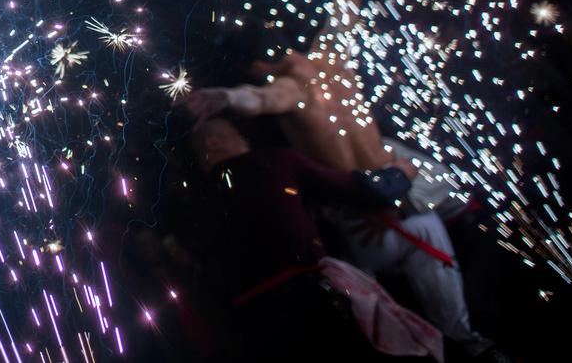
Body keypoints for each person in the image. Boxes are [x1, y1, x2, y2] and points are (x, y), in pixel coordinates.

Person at [181, 0, 502, 359]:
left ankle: (467, 335)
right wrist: (229, 98)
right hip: (364, 212)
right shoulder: (307, 75)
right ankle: (461, 343)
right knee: (428, 233)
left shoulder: (325, 56)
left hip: (394, 181)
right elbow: (261, 100)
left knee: (466, 210)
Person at [190, 116, 444, 361]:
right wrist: (398, 175)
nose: (246, 141)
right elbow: (358, 191)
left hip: (253, 331)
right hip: (308, 305)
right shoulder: (270, 162)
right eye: (238, 135)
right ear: (214, 143)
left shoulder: (195, 208)